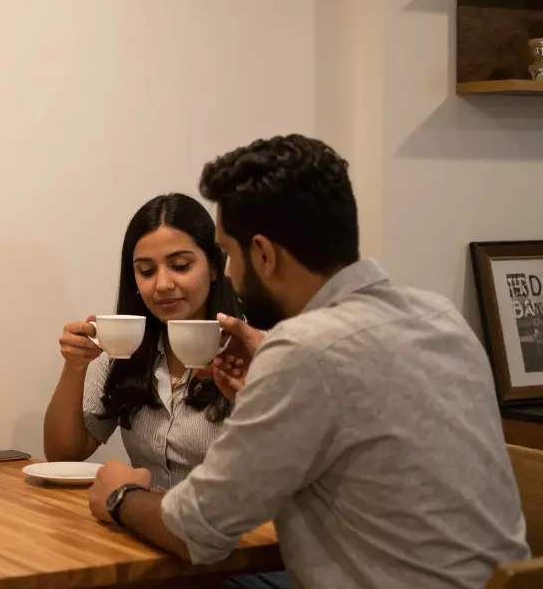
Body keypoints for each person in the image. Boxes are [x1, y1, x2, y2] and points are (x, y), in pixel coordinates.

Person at [87, 135, 529, 589]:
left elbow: (196, 531)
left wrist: (122, 493)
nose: (232, 274)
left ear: (263, 254)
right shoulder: (440, 317)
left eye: (231, 255)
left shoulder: (305, 350)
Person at [43, 193, 245, 489]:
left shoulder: (246, 350)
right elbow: (63, 454)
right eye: (147, 271)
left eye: (180, 266)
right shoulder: (126, 349)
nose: (162, 285)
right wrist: (75, 367)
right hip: (143, 524)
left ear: (214, 267)